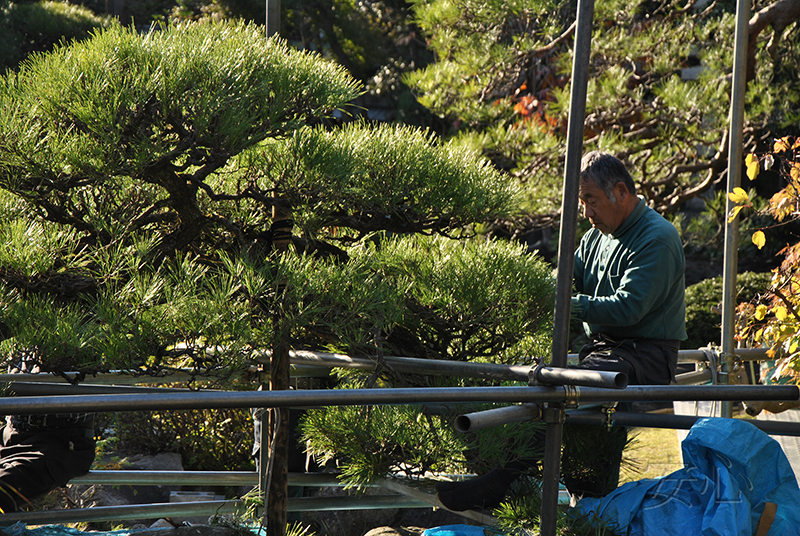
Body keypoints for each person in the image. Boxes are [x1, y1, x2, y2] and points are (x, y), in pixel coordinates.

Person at [436, 151, 686, 511]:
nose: (586, 212)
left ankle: (503, 479)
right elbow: (562, 290)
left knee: (560, 391)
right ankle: (523, 483)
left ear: (621, 191)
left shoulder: (657, 237)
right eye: (582, 202)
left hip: (644, 355)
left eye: (591, 201)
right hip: (602, 351)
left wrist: (566, 303)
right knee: (534, 378)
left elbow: (628, 307)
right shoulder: (593, 239)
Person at [0, 360, 96, 513]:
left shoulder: (75, 346)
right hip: (11, 434)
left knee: (4, 485)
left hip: (60, 442)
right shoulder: (14, 340)